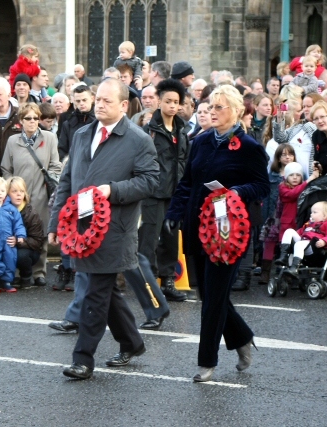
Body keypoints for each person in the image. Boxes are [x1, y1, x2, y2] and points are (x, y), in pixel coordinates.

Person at [47, 78, 159, 380]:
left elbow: (150, 181)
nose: (99, 104)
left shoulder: (138, 140)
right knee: (104, 290)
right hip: (82, 228)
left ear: (124, 105)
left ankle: (83, 358)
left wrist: (113, 190)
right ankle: (132, 342)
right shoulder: (82, 134)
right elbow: (67, 181)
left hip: (114, 230)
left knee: (95, 293)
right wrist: (56, 221)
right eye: (98, 99)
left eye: (107, 101)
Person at [163, 84, 270, 382]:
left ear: (236, 111)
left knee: (213, 299)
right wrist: (174, 213)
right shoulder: (201, 141)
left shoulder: (249, 146)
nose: (212, 112)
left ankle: (206, 362)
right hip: (198, 226)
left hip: (229, 232)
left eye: (219, 107)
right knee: (209, 294)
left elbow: (262, 185)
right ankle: (243, 337)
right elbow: (187, 182)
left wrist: (237, 190)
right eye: (210, 107)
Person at [139, 78, 189, 302]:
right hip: (153, 191)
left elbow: (184, 159)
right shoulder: (148, 130)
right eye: (168, 101)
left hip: (175, 192)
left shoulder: (182, 129)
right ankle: (148, 284)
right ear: (159, 102)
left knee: (170, 239)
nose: (172, 106)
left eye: (176, 102)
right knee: (149, 238)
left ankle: (168, 280)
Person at [1, 103, 61, 287]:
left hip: (42, 193)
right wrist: (12, 188)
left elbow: (55, 165)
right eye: (28, 118)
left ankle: (39, 272)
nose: (33, 121)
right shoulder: (13, 141)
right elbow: (6, 168)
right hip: (18, 195)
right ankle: (19, 270)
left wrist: (51, 181)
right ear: (21, 121)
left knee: (41, 232)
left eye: (36, 118)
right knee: (17, 231)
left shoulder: (50, 138)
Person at [259, 143, 297, 283]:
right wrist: (266, 215)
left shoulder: (298, 175)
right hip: (274, 213)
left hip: (290, 214)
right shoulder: (273, 176)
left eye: (290, 154)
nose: (288, 157)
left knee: (286, 242)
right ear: (278, 158)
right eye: (284, 155)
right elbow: (267, 197)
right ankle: (265, 271)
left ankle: (284, 271)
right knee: (269, 241)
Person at [275, 201, 327, 277]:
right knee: (289, 231)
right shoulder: (309, 224)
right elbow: (299, 233)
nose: (311, 214)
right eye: (311, 212)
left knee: (299, 244)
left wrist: (324, 241)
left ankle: (294, 267)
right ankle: (283, 256)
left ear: (324, 215)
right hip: (303, 242)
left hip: (314, 247)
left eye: (315, 212)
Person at [7, 176, 44, 289]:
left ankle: (26, 277)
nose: (19, 194)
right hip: (7, 246)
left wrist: (19, 241)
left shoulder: (31, 213)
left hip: (27, 249)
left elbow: (37, 241)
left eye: (22, 191)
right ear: (7, 193)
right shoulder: (0, 210)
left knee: (21, 255)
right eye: (14, 191)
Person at [278, 162, 319, 242]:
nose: (295, 177)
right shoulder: (283, 187)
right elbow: (292, 194)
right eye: (291, 175)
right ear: (286, 177)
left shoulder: (304, 187)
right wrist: (308, 181)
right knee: (286, 244)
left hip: (300, 222)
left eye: (298, 175)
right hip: (288, 223)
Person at [58, 84, 95, 161]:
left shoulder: (100, 121)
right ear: (74, 101)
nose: (81, 103)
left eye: (84, 100)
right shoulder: (68, 124)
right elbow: (62, 149)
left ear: (92, 99)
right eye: (78, 101)